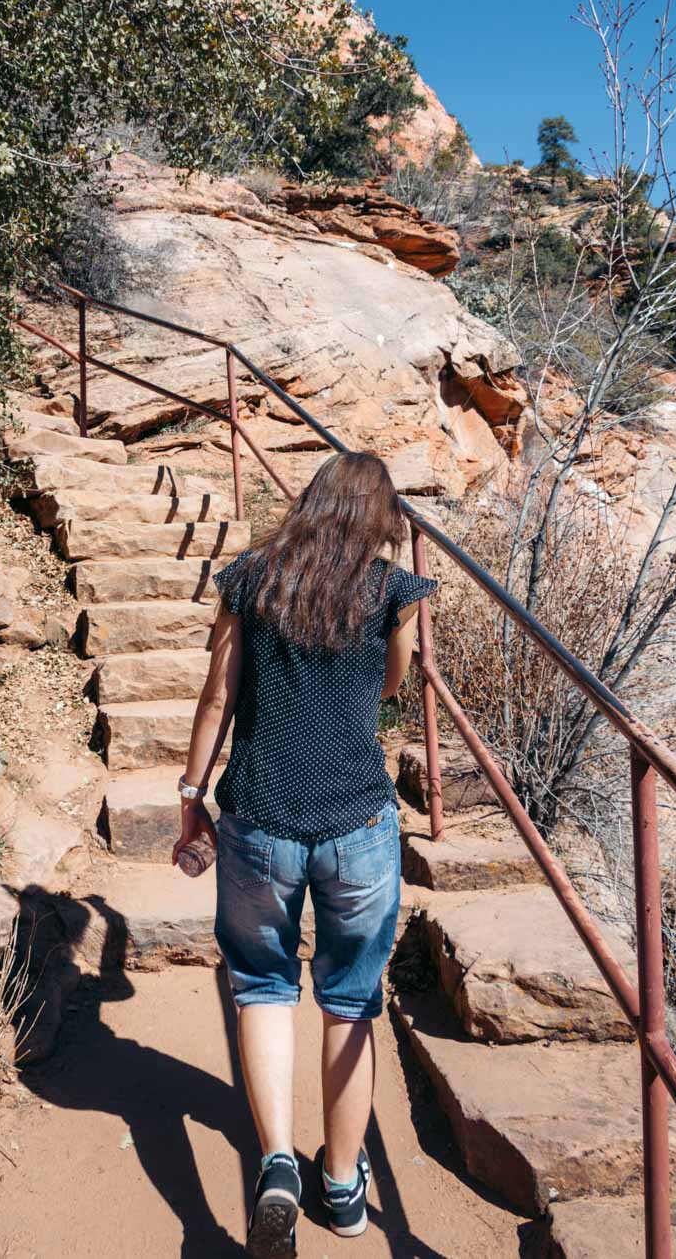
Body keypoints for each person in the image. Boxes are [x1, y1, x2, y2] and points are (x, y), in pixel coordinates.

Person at [172, 451, 436, 1258]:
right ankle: (346, 1187)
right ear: (380, 517)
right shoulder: (393, 592)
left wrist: (192, 799)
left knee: (261, 987)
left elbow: (218, 695)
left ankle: (279, 1165)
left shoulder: (252, 578)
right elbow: (395, 684)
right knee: (352, 1001)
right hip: (358, 821)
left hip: (259, 814)